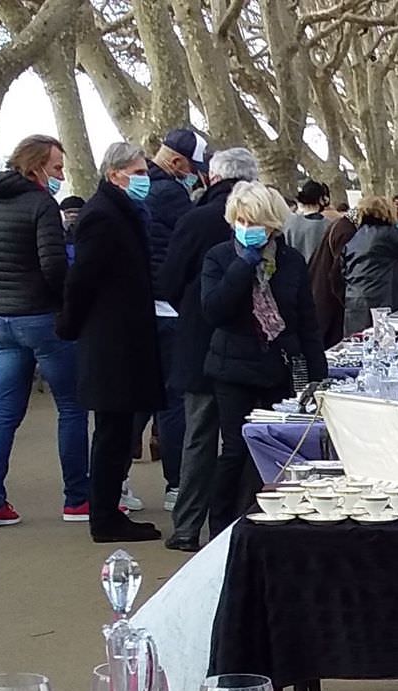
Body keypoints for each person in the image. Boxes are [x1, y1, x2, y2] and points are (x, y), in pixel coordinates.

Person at [0, 134, 85, 527]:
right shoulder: (41, 205)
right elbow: (53, 265)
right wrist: (65, 298)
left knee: (5, 411)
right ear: (36, 168)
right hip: (42, 317)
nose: (60, 175)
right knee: (71, 407)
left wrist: (1, 283)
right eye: (57, 168)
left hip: (4, 318)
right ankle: (77, 499)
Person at [200, 182, 327, 530]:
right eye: (241, 220)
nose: (248, 228)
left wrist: (318, 374)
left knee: (275, 449)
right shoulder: (219, 257)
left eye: (255, 221)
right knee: (235, 449)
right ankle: (221, 526)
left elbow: (306, 321)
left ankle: (271, 518)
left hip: (278, 367)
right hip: (232, 368)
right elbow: (214, 311)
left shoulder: (291, 261)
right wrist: (243, 267)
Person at [61, 141, 165, 543]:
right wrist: (70, 324)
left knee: (119, 430)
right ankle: (104, 515)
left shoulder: (122, 213)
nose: (144, 180)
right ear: (115, 173)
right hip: (110, 337)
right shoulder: (103, 216)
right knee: (112, 430)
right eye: (137, 173)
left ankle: (108, 512)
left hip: (123, 331)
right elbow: (82, 277)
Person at [159, 147, 261, 552]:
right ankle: (243, 518)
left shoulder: (195, 218)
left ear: (212, 177)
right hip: (250, 345)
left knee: (199, 437)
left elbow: (168, 278)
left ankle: (186, 527)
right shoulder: (265, 221)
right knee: (246, 437)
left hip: (199, 340)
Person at [144, 129, 208, 509]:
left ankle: (115, 484)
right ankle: (176, 485)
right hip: (168, 307)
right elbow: (188, 247)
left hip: (142, 306)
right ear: (179, 163)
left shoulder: (142, 192)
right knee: (172, 401)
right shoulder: (171, 195)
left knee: (137, 402)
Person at [342, 195, 398, 334]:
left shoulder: (356, 237)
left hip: (354, 301)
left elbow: (343, 268)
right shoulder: (388, 235)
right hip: (381, 301)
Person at [308, 202, 360, 348]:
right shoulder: (347, 232)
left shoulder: (339, 225)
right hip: (329, 295)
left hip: (319, 288)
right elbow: (337, 271)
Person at [283, 179, 333, 264]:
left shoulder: (289, 223)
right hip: (320, 274)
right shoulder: (328, 225)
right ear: (321, 199)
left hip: (295, 272)